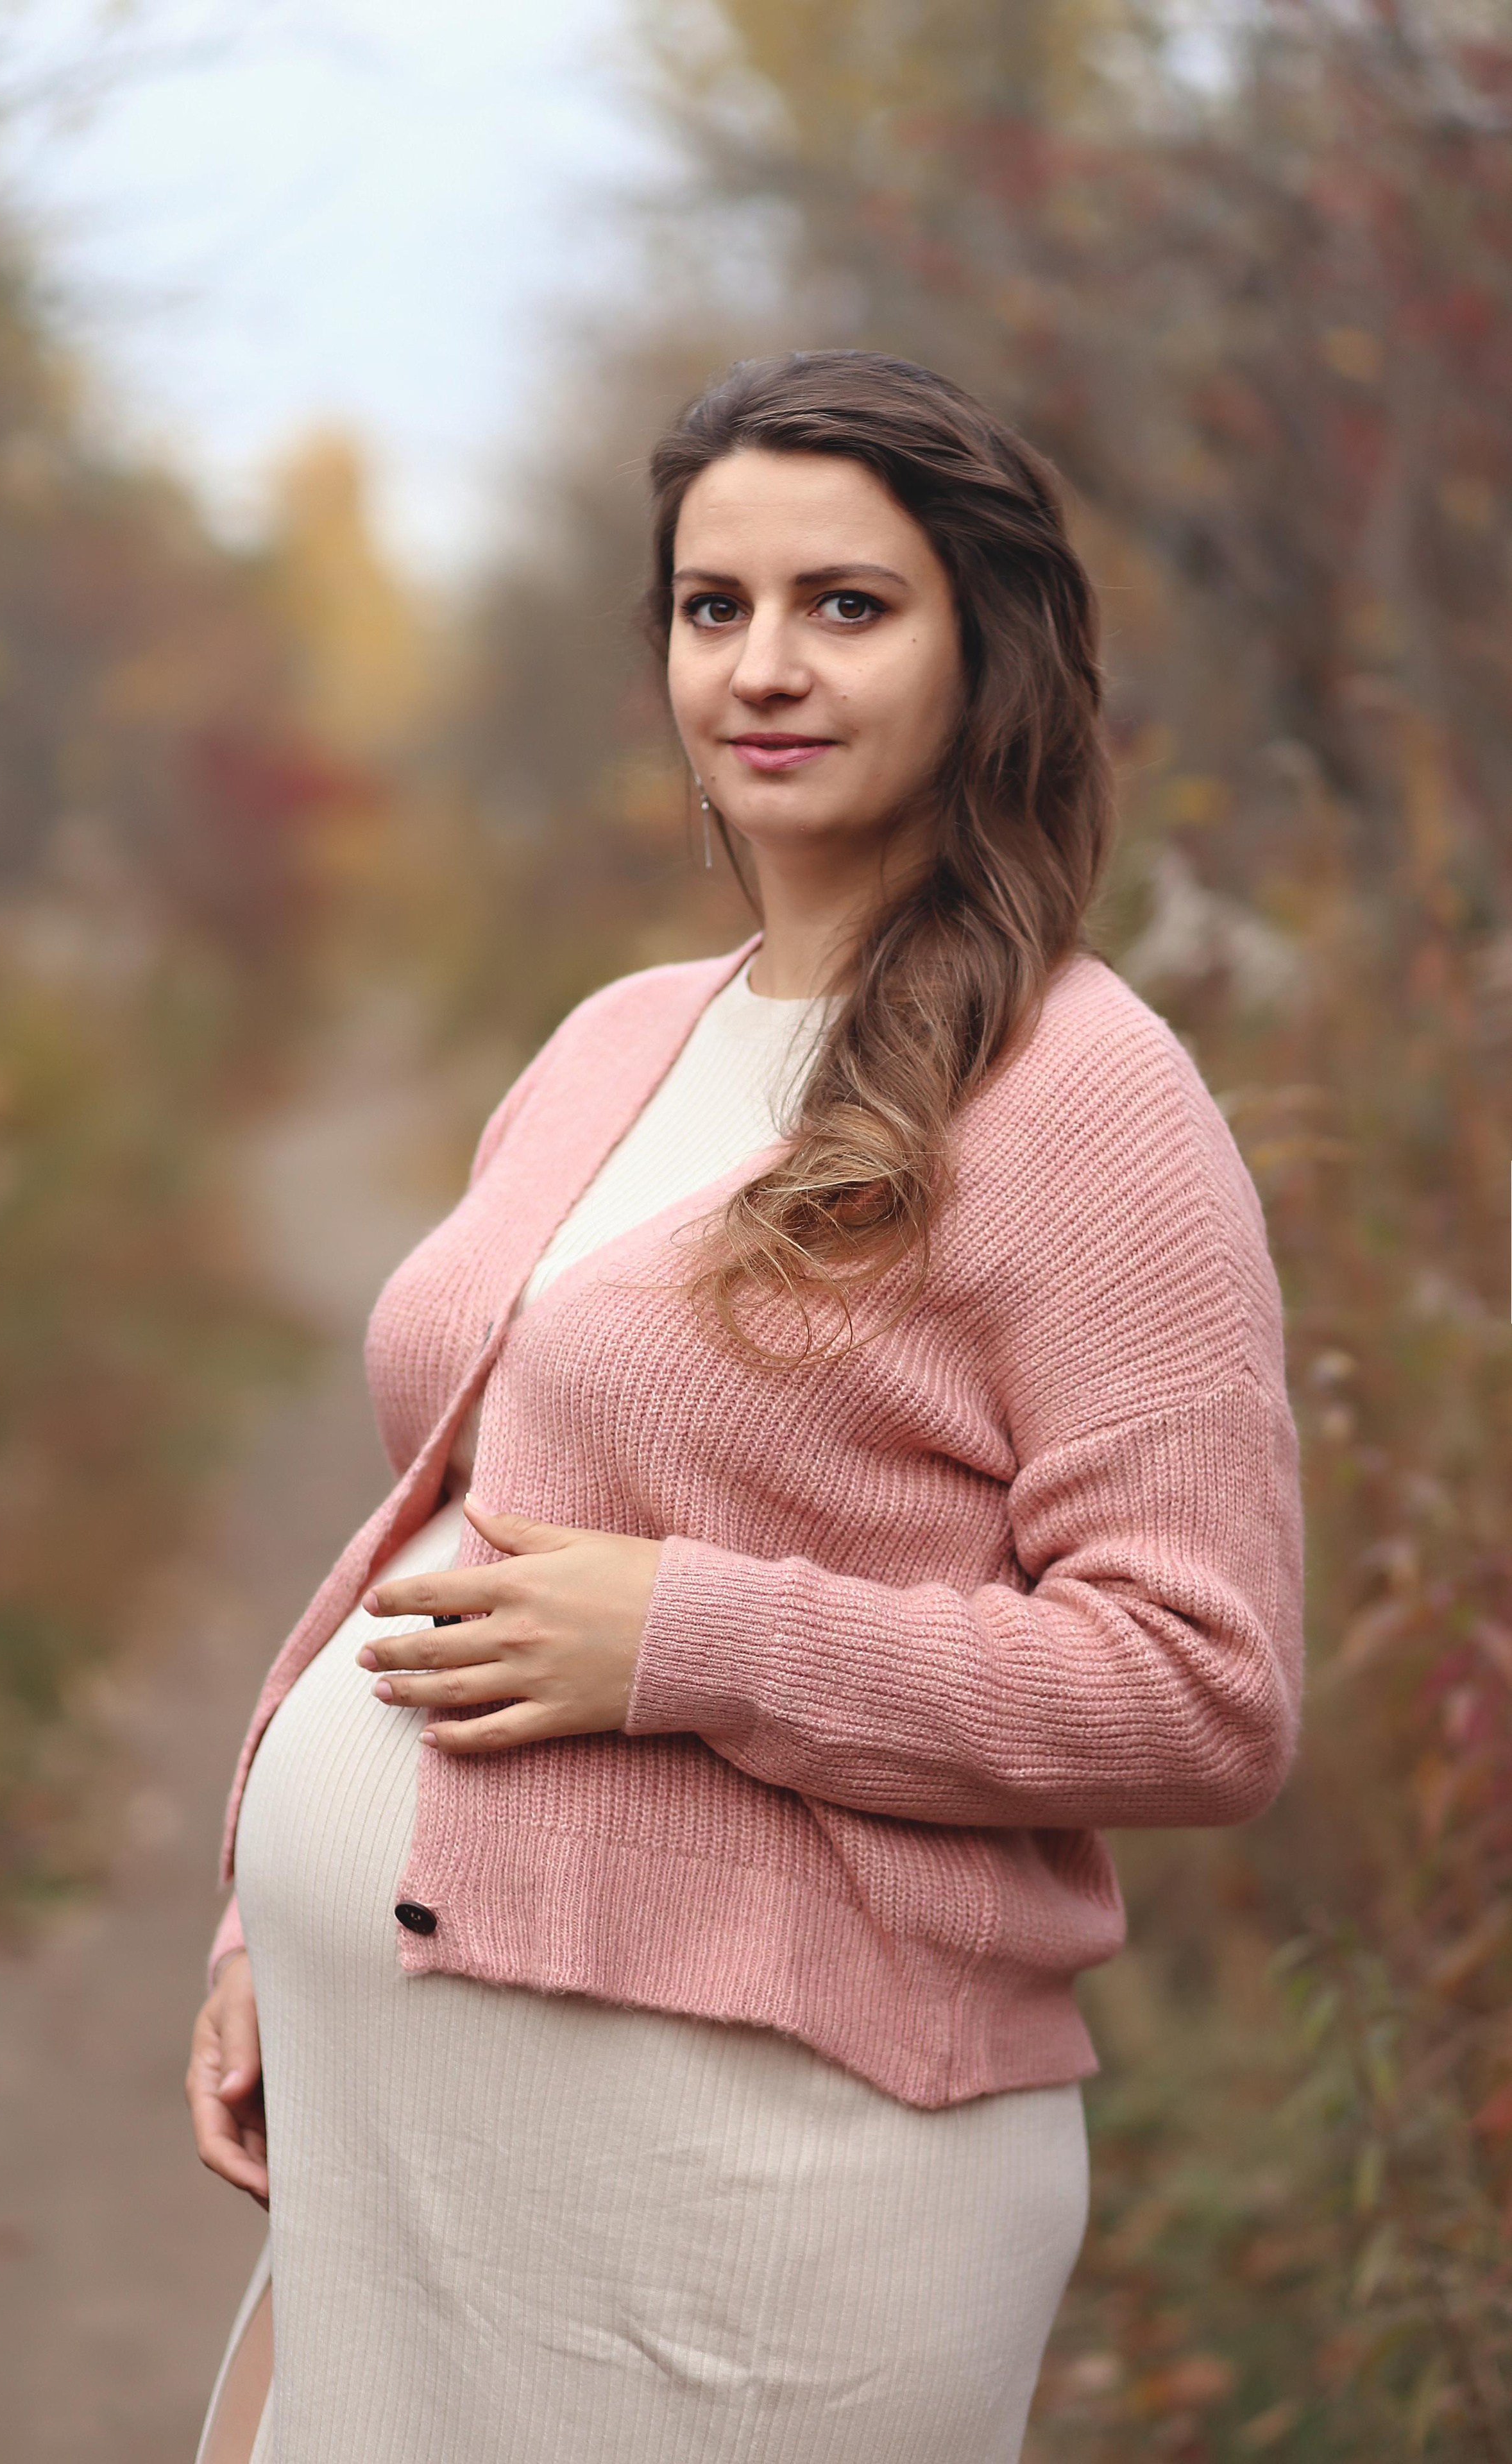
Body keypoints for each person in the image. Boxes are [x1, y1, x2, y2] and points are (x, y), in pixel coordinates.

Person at [185, 350, 1303, 2464]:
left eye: (846, 607)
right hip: (406, 2134)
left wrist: (693, 1643)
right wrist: (271, 1918)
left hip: (756, 2183)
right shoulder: (619, 1038)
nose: (764, 668)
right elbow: (444, 1511)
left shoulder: (1084, 1095)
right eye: (717, 607)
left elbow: (1203, 1688)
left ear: (988, 654)